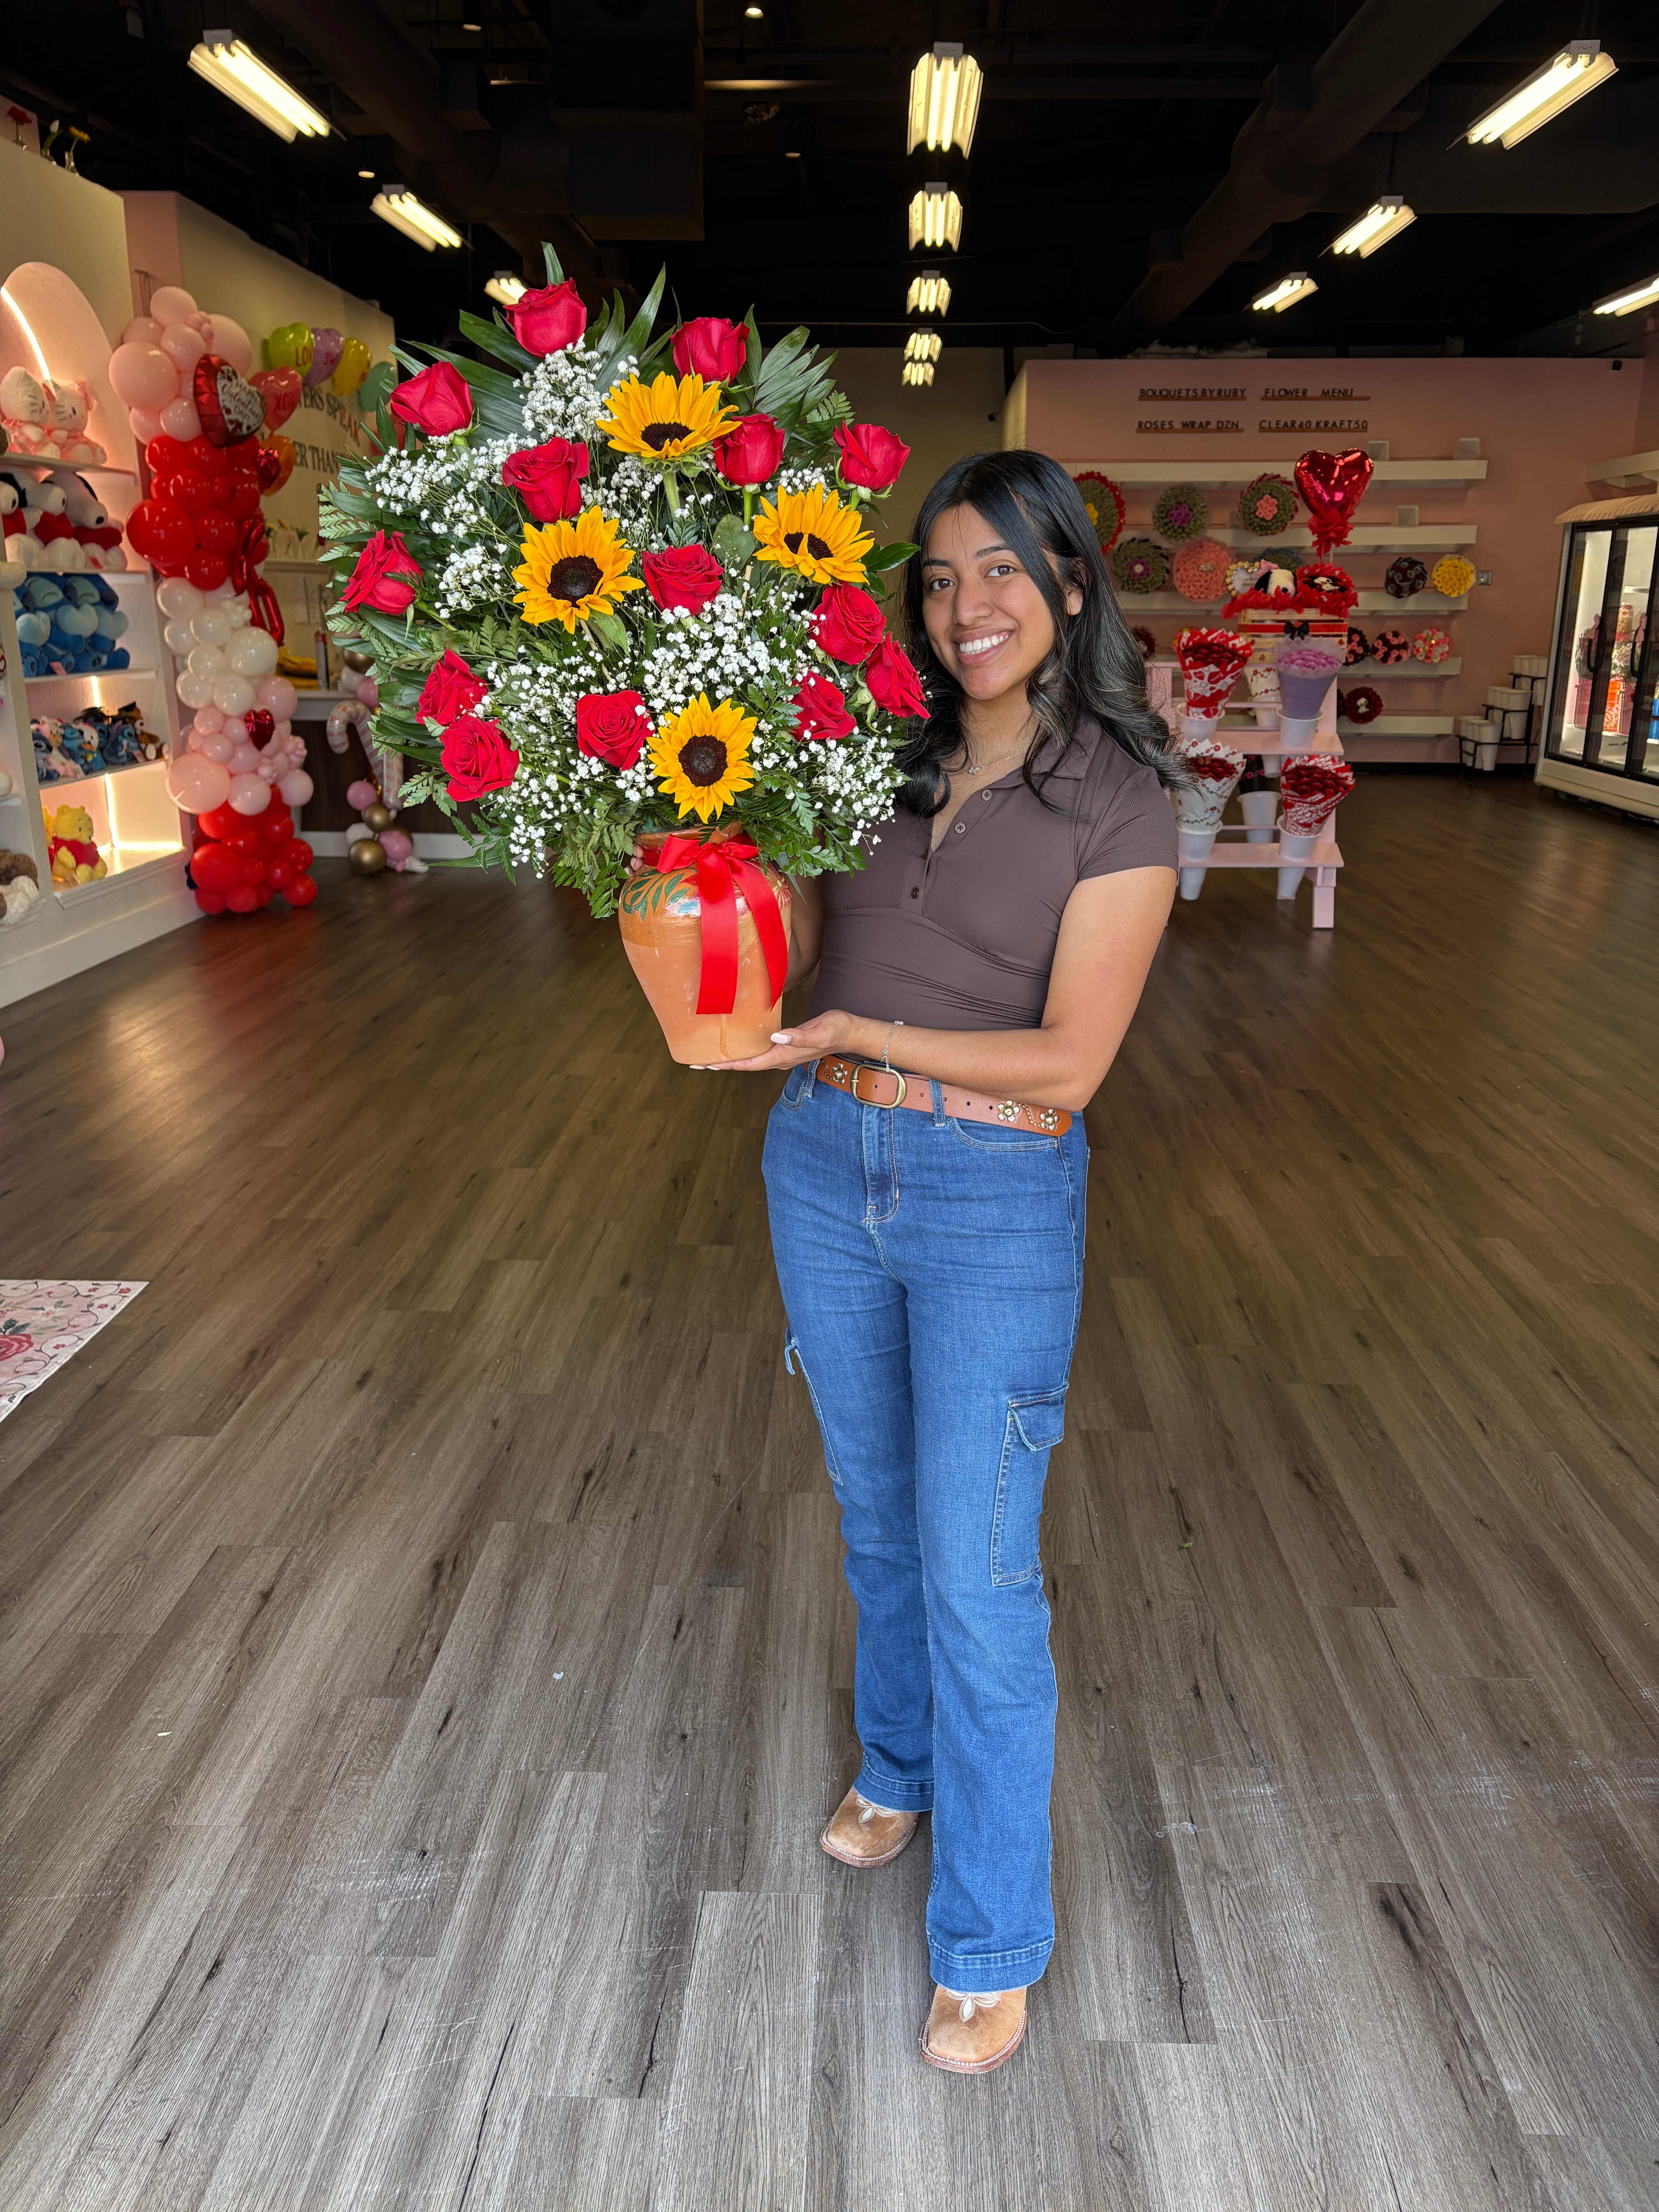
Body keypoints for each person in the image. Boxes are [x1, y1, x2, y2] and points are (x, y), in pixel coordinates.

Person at [698, 449, 1180, 2074]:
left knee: (980, 1573)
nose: (967, 607)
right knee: (878, 1519)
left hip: (994, 1191)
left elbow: (1069, 1065)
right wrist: (706, 894)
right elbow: (819, 943)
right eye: (940, 576)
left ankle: (990, 1938)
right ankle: (895, 1765)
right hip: (825, 1165)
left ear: (1068, 586)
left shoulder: (1119, 795)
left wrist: (854, 1028)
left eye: (1002, 572)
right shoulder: (872, 763)